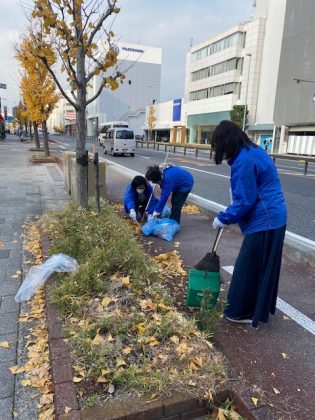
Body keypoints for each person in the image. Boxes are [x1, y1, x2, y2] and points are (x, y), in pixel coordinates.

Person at [211, 120, 287, 329]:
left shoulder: (243, 160)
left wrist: (224, 217)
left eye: (218, 145)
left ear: (226, 142)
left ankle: (238, 312)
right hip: (274, 218)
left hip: (265, 220)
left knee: (246, 268)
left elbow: (245, 200)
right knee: (260, 267)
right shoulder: (254, 151)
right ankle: (254, 309)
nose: (219, 151)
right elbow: (247, 194)